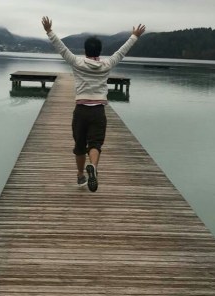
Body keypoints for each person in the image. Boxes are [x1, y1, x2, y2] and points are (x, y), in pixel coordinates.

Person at [41, 16, 146, 191]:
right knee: (95, 144)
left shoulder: (77, 62)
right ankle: (94, 167)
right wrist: (134, 36)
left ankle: (81, 176)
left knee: (80, 146)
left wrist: (49, 31)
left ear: (85, 51)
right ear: (99, 51)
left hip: (81, 110)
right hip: (98, 111)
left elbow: (62, 48)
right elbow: (121, 52)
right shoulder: (107, 64)